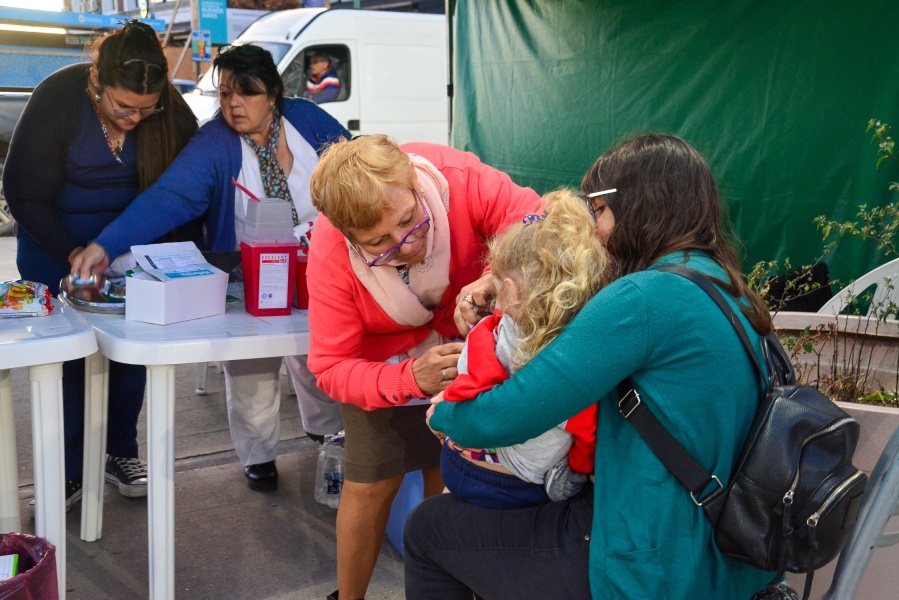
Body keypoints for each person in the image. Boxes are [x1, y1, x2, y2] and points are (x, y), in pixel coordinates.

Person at [405, 133, 778, 599]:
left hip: (657, 562)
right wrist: (502, 291)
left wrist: (444, 415)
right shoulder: (722, 283)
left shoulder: (644, 298)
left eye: (598, 210)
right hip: (726, 552)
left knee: (427, 530)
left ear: (640, 208)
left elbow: (509, 413)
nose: (594, 230)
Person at [69, 44, 349, 493]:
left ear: (273, 93)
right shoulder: (215, 141)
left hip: (324, 270)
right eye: (224, 94)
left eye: (246, 93)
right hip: (249, 277)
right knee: (253, 370)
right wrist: (106, 246)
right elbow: (169, 198)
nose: (233, 105)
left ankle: (326, 434)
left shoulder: (309, 120)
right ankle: (259, 456)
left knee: (323, 358)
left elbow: (357, 166)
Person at [306, 134, 542, 599]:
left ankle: (446, 582)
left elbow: (537, 223)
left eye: (410, 221)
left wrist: (493, 276)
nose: (406, 246)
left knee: (455, 472)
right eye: (379, 245)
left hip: (470, 347)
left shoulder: (460, 178)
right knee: (371, 481)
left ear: (414, 183)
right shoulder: (331, 251)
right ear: (347, 237)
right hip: (381, 365)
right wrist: (408, 377)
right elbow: (331, 366)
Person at [3, 20, 199, 510]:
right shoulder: (60, 95)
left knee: (131, 353)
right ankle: (68, 470)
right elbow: (22, 191)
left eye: (145, 109)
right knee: (67, 361)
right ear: (97, 81)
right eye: (122, 107)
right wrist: (72, 251)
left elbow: (184, 190)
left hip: (132, 250)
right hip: (54, 242)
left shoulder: (168, 110)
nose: (134, 118)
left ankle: (119, 451)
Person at [439, 189, 605, 509]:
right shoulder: (577, 352)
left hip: (481, 474)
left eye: (496, 280)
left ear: (512, 292)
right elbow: (587, 429)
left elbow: (470, 392)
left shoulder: (492, 336)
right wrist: (580, 469)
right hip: (516, 481)